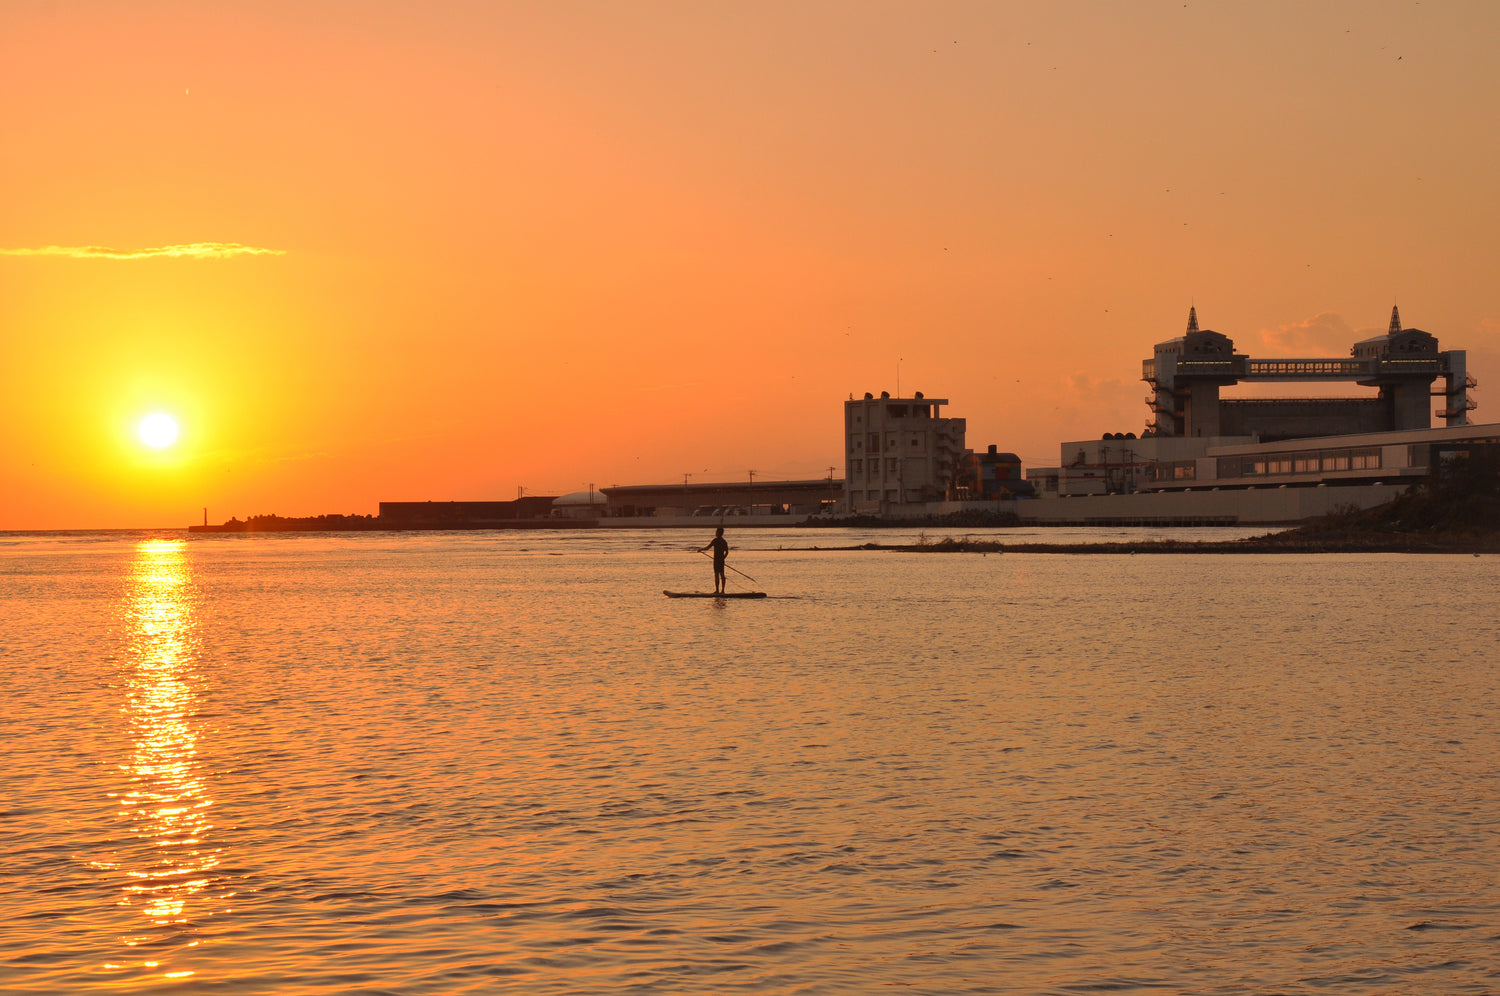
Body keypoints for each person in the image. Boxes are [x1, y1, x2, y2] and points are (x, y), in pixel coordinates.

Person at [699, 527, 729, 594]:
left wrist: (700, 549)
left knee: (717, 575)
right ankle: (722, 591)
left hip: (716, 561)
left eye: (716, 532)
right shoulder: (724, 541)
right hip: (721, 560)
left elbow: (707, 547)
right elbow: (727, 552)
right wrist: (723, 558)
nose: (715, 533)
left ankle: (718, 591)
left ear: (719, 533)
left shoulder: (715, 540)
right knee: (722, 575)